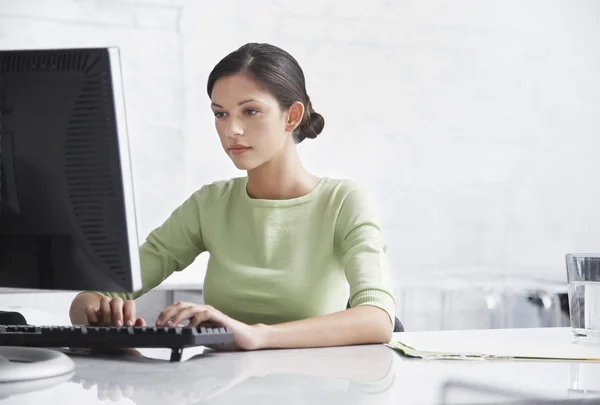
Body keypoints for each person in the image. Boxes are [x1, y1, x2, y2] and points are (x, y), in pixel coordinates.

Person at [69, 42, 397, 351]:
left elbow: (378, 318)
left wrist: (255, 335)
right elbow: (95, 295)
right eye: (220, 114)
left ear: (292, 116)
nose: (231, 130)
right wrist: (99, 315)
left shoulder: (343, 202)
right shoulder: (210, 204)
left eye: (250, 111)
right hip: (224, 387)